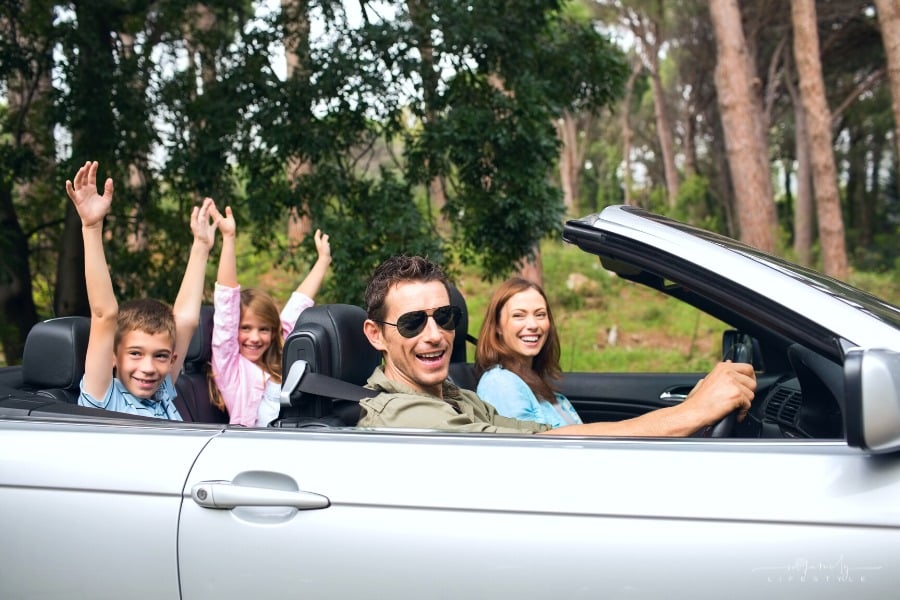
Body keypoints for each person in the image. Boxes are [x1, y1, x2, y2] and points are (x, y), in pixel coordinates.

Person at [359, 255, 757, 436]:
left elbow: (539, 431)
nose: (434, 334)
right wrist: (690, 413)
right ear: (376, 334)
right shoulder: (405, 417)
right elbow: (546, 445)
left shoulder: (456, 398)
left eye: (444, 318)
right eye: (413, 323)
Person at [68, 160, 218, 419]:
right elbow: (104, 314)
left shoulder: (161, 391)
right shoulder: (105, 398)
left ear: (173, 360)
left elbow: (186, 320)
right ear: (113, 356)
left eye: (160, 356)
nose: (148, 368)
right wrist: (92, 228)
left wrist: (201, 247)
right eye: (135, 353)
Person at [208, 204, 331, 427]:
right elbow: (226, 310)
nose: (254, 338)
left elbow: (297, 308)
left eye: (264, 329)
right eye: (245, 328)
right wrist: (228, 237)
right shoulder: (231, 367)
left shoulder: (277, 360)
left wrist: (323, 261)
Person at [475, 277, 582, 428]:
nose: (533, 325)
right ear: (497, 326)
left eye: (540, 314)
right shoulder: (500, 383)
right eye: (518, 315)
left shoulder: (531, 379)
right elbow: (531, 447)